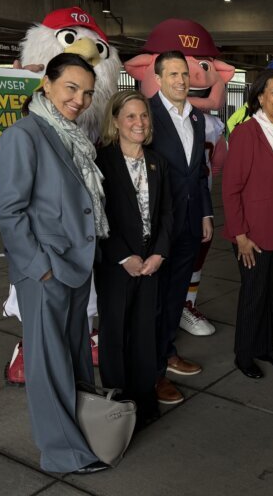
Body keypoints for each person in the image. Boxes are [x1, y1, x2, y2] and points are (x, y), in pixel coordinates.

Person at [0, 53, 109, 474]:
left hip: (76, 264)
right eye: (71, 88)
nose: (79, 99)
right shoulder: (24, 135)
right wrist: (39, 266)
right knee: (47, 364)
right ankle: (63, 453)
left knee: (76, 355)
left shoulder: (71, 135)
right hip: (46, 270)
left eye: (88, 93)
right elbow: (9, 211)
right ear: (47, 84)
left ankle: (83, 433)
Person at [94, 90, 172, 429]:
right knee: (114, 335)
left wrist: (159, 253)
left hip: (151, 264)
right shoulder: (101, 161)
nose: (139, 123)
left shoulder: (157, 161)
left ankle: (144, 401)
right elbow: (98, 215)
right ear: (115, 121)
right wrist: (124, 256)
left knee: (144, 333)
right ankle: (117, 404)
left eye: (143, 116)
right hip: (116, 265)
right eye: (130, 116)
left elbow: (168, 213)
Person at [148, 51, 211, 404]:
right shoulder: (147, 115)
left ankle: (168, 351)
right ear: (157, 79)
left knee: (175, 296)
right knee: (155, 300)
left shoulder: (197, 118)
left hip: (189, 223)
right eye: (172, 74)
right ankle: (154, 372)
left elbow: (198, 172)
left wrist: (205, 214)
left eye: (184, 74)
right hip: (159, 224)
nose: (180, 80)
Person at [222, 69, 273, 379]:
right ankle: (244, 354)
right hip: (250, 234)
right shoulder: (247, 132)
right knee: (253, 296)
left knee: (270, 295)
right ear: (260, 97)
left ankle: (264, 346)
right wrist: (240, 235)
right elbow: (230, 188)